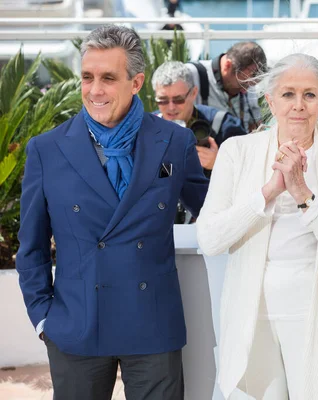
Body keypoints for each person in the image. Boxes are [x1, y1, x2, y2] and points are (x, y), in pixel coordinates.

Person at [16, 25, 209, 400]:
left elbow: (215, 212)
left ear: (136, 82)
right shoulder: (47, 149)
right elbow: (32, 246)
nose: (95, 90)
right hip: (77, 324)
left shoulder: (174, 142)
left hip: (152, 324)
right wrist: (44, 319)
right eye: (87, 77)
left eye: (108, 78)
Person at [196, 53, 318, 400]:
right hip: (251, 313)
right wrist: (269, 192)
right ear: (270, 100)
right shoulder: (236, 151)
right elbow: (209, 238)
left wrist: (304, 195)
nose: (298, 105)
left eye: (309, 95)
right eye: (288, 94)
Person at [152, 61, 247, 176]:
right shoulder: (145, 129)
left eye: (178, 99)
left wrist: (218, 164)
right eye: (162, 100)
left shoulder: (223, 126)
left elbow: (249, 173)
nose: (171, 107)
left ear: (194, 93)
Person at [185, 41, 267, 131]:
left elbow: (256, 125)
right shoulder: (192, 75)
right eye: (243, 84)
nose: (245, 91)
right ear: (228, 65)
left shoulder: (248, 82)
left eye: (252, 85)